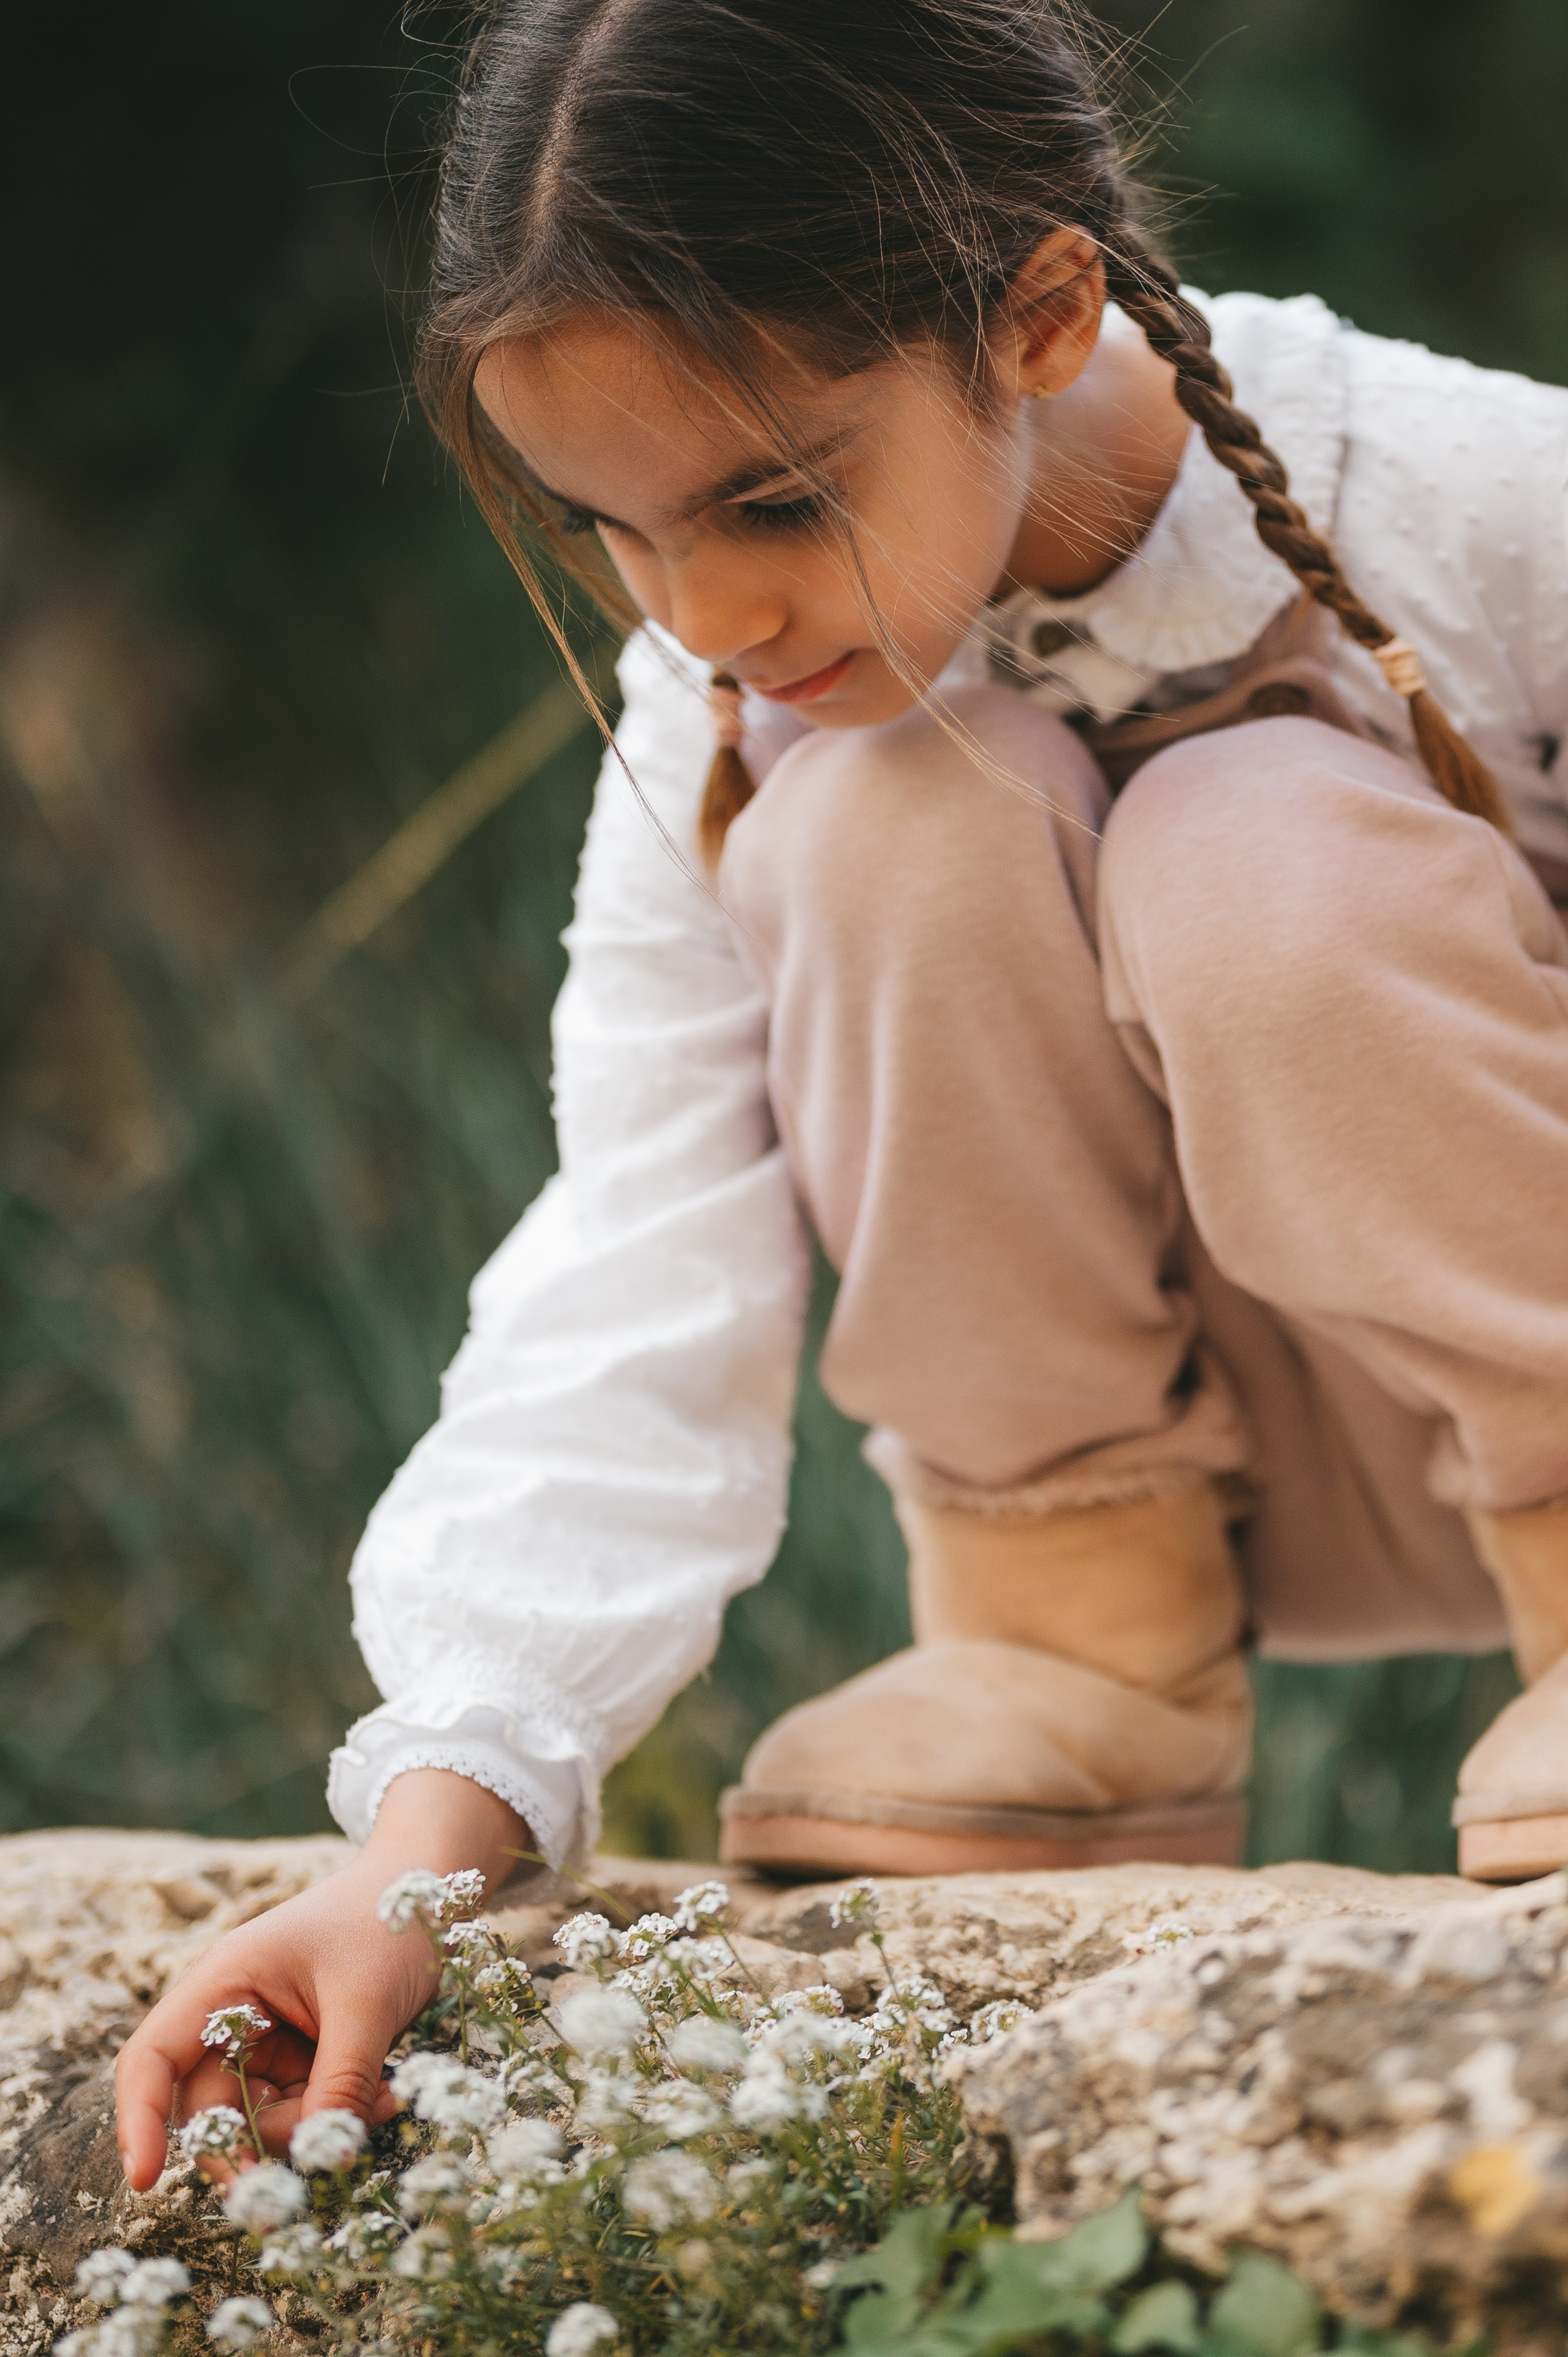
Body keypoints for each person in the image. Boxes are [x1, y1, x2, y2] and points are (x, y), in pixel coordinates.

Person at [116, 0, 1568, 2182]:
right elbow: (638, 1248)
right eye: (610, 527)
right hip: (1215, 1482)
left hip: (1519, 1371)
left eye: (775, 496)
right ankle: (1082, 1653)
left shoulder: (1491, 501)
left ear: (1043, 312)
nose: (708, 611)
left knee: (1251, 838)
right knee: (887, 811)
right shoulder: (720, 710)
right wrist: (412, 1866)